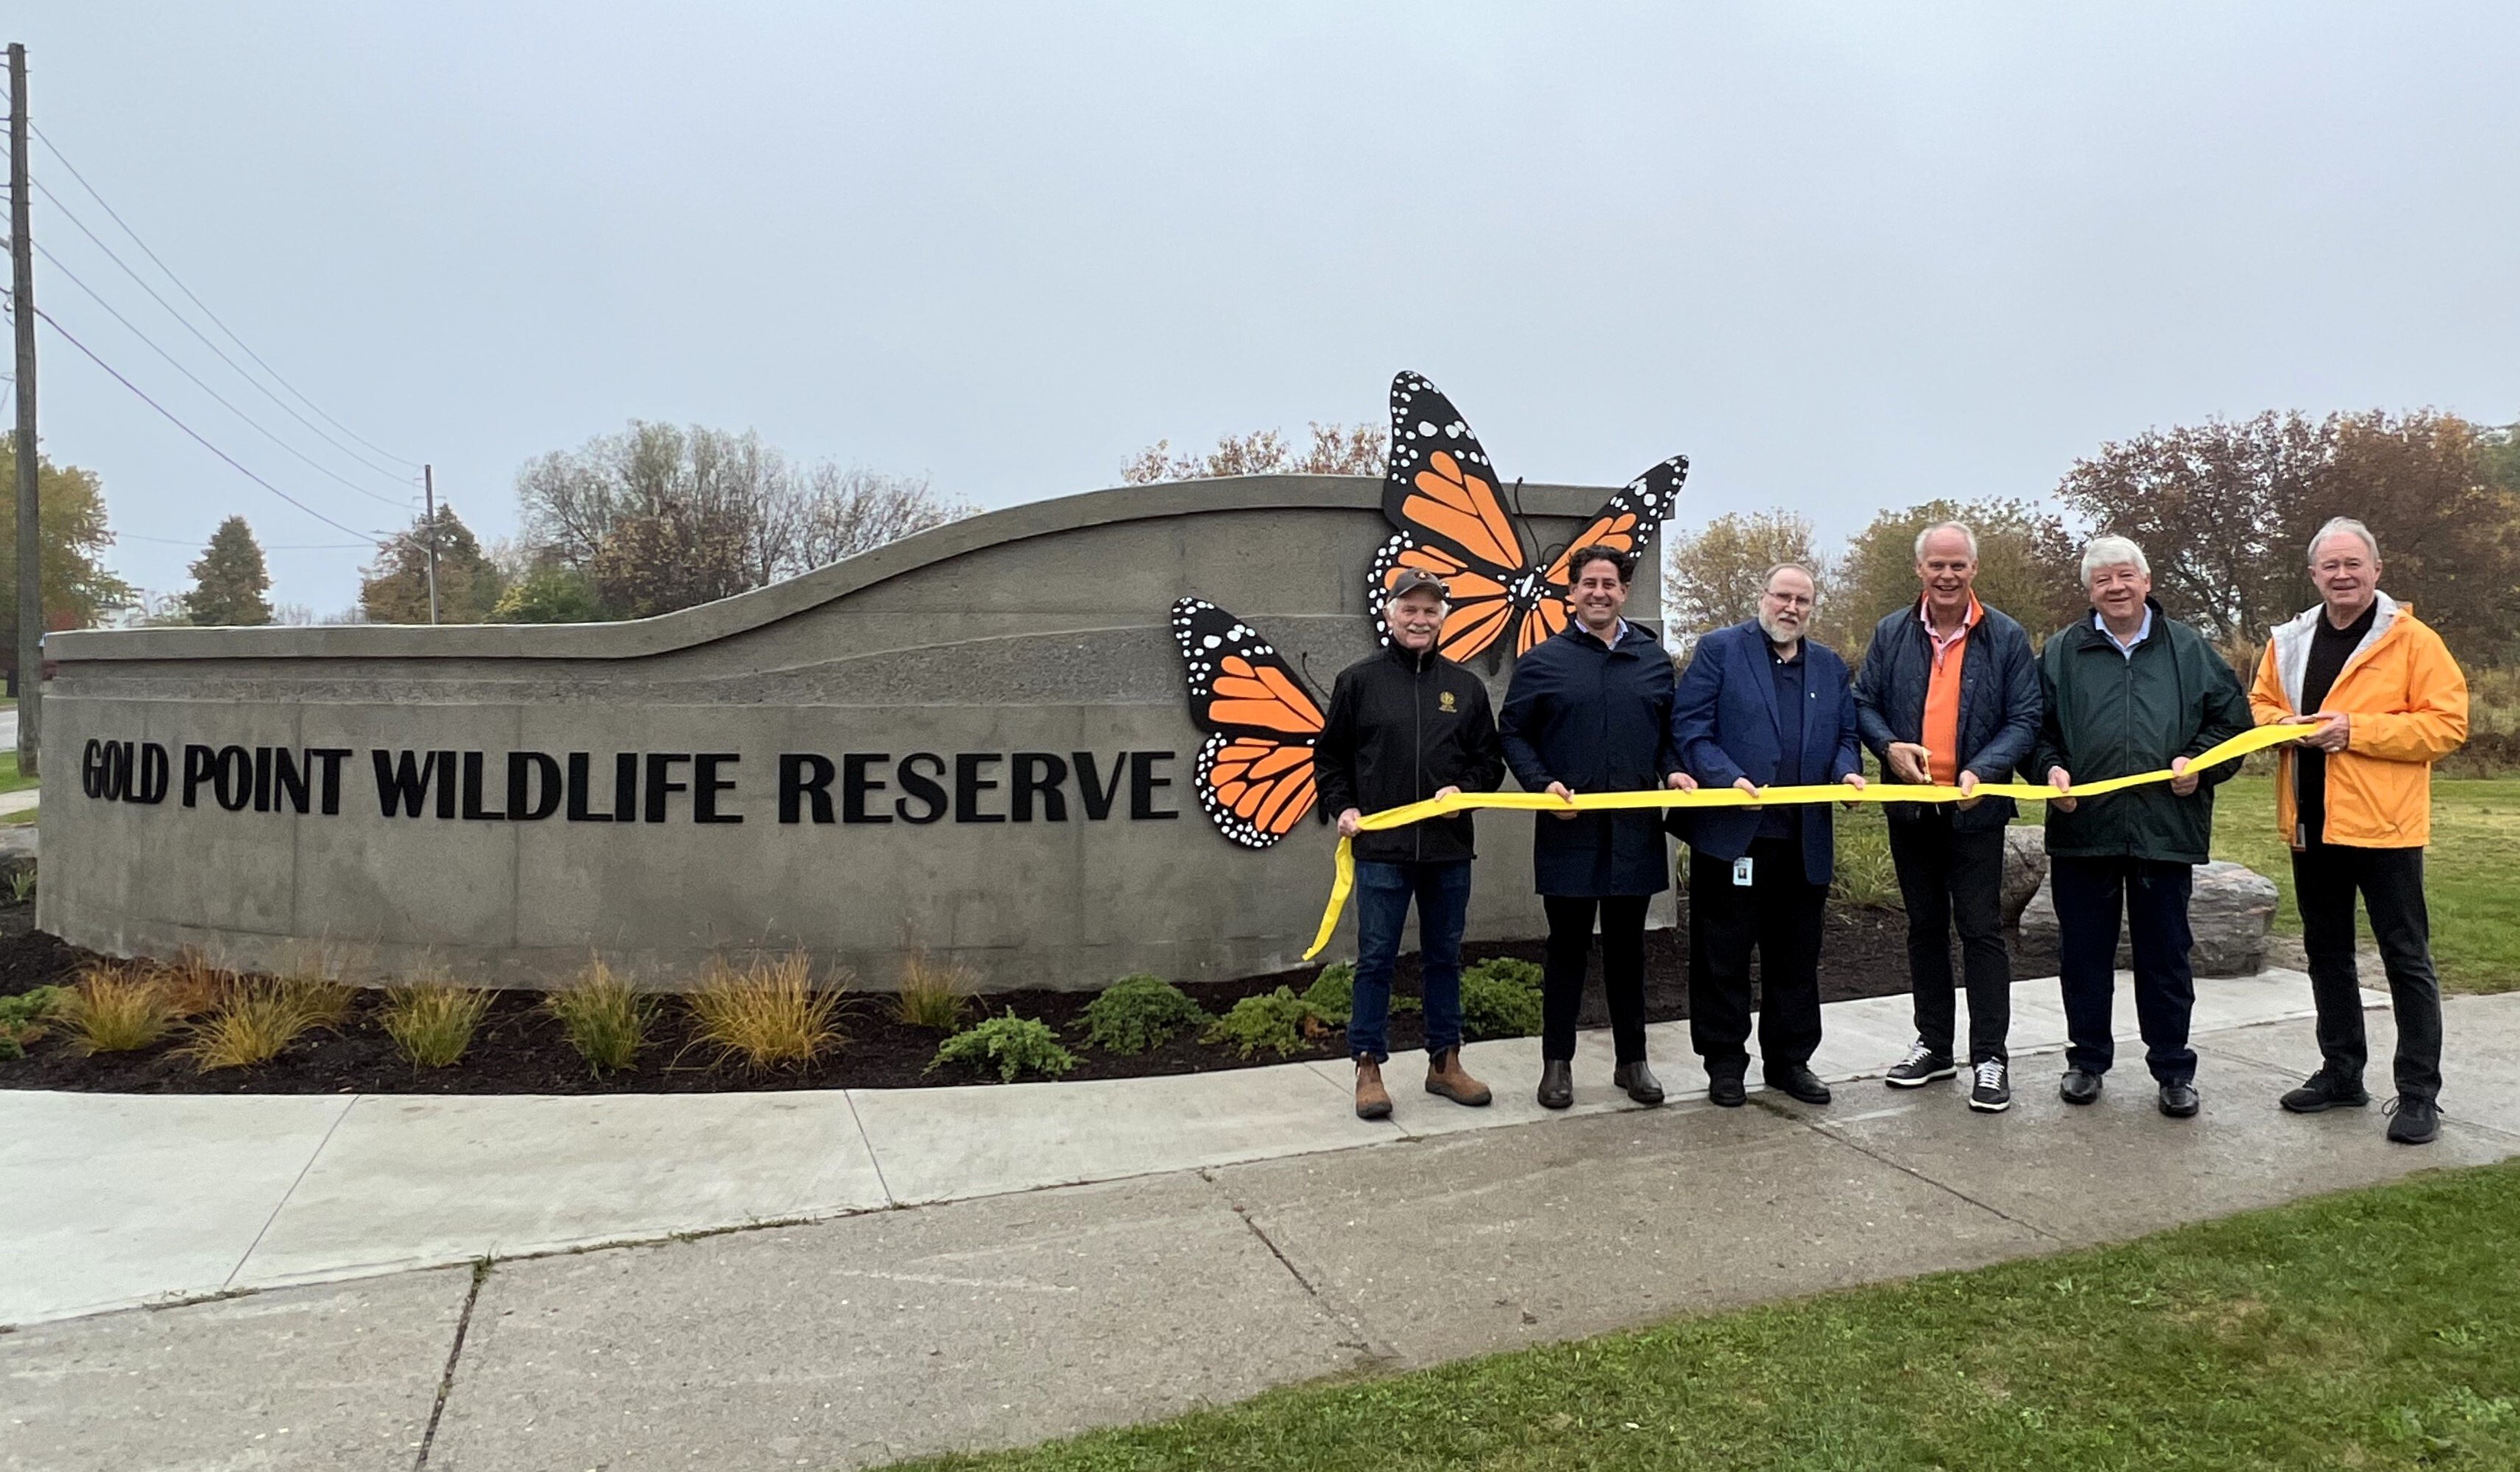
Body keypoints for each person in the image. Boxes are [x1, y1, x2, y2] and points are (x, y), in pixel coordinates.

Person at [2250, 518, 2468, 1146]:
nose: (2342, 576)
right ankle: (2342, 1071)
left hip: (2387, 828)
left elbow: (2446, 727)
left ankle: (2420, 1093)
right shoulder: (2290, 640)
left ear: (2376, 570)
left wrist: (2356, 731)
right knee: (2327, 954)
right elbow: (2262, 703)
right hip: (2311, 823)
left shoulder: (2413, 641)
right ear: (2314, 574)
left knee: (2406, 958)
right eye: (2330, 567)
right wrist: (2286, 725)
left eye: (2353, 564)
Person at [2033, 535, 2251, 1118]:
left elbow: (2233, 723)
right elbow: (2035, 729)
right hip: (2085, 831)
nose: (2116, 587)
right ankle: (2086, 1062)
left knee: (2166, 958)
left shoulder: (2189, 650)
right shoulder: (2060, 653)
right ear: (2089, 590)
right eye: (2103, 580)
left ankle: (2174, 1069)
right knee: (2083, 957)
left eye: (2125, 576)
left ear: (2147, 582)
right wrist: (2049, 769)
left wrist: (2200, 767)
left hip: (2165, 830)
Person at [1852, 522, 2043, 1113]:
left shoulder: (2006, 636)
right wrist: (1887, 747)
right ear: (1920, 570)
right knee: (1924, 929)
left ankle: (1990, 1058)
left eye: (1958, 565)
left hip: (1976, 811)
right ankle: (1934, 1046)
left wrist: (1983, 770)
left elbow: (2025, 716)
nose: (1947, 574)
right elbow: (1864, 703)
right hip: (1911, 809)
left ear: (1974, 570)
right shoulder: (1891, 632)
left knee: (1982, 931)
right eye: (1937, 565)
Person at [1314, 568, 1509, 1121]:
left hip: (1448, 849)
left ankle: (1445, 1063)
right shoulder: (1358, 682)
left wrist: (1464, 790)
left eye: (1430, 610)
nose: (1420, 619)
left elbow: (1488, 763)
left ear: (1442, 617)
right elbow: (1329, 759)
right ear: (1391, 614)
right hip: (1380, 851)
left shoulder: (1466, 687)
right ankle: (1368, 1066)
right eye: (1410, 609)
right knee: (1376, 958)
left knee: (1445, 957)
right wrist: (1343, 805)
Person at [1669, 562, 1866, 1108]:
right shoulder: (1720, 650)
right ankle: (1725, 1063)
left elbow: (1847, 734)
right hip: (1735, 834)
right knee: (1722, 956)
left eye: (1803, 601)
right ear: (1763, 596)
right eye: (1783, 596)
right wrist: (1725, 776)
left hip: (1803, 840)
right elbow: (1691, 728)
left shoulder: (1828, 667)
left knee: (1796, 958)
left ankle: (1790, 1061)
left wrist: (1848, 770)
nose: (1792, 609)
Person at [1499, 544, 1682, 1110]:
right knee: (1567, 950)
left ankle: (1633, 1063)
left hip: (1634, 831)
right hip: (1568, 829)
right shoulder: (1542, 662)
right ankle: (1557, 1065)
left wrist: (1674, 771)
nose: (1599, 592)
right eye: (1588, 583)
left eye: (1609, 583)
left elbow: (1670, 735)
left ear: (1624, 592)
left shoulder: (1654, 662)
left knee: (1630, 950)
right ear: (1570, 592)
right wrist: (1540, 783)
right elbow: (1513, 733)